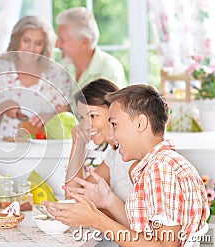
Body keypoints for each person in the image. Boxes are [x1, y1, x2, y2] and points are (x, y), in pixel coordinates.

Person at [45, 84, 209, 246]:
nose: (112, 134)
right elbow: (143, 231)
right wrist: (109, 201)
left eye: (114, 124)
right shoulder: (160, 164)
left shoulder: (160, 169)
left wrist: (96, 219)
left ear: (140, 123)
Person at [0, 15, 72, 140]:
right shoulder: (1, 67)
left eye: (38, 43)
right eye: (26, 40)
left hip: (46, 143)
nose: (31, 49)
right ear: (17, 41)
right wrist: (3, 107)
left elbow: (65, 112)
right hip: (6, 142)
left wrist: (50, 117)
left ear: (44, 47)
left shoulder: (56, 73)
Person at [65, 79, 134, 209]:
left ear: (114, 112)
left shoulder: (131, 155)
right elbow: (74, 197)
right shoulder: (114, 155)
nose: (85, 125)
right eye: (82, 118)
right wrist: (78, 145)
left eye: (93, 116)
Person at [55, 7, 126, 94]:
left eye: (62, 39)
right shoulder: (66, 68)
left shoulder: (109, 69)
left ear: (84, 42)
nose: (57, 45)